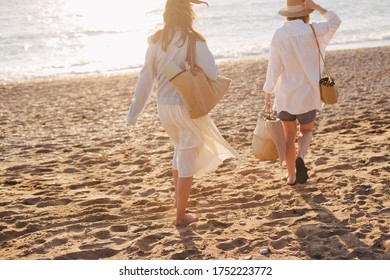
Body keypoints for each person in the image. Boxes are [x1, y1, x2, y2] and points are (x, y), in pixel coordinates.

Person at [126, 0, 242, 226]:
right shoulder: (194, 40)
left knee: (180, 148)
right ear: (188, 13)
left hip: (164, 107)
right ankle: (181, 216)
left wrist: (134, 112)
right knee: (187, 153)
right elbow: (212, 72)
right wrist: (195, 68)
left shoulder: (156, 40)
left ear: (166, 13)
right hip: (185, 105)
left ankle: (176, 201)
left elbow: (145, 79)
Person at [263, 0, 341, 185]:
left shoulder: (279, 34)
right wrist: (317, 7)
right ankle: (301, 156)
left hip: (285, 96)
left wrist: (268, 91)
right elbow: (335, 21)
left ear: (287, 13)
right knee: (306, 130)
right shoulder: (314, 31)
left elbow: (273, 66)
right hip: (307, 94)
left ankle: (291, 177)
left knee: (289, 137)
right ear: (305, 11)